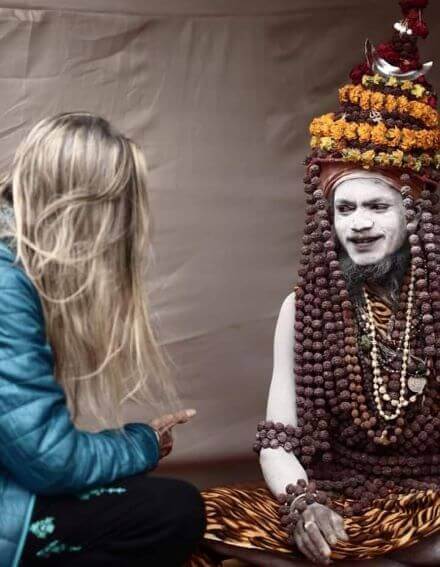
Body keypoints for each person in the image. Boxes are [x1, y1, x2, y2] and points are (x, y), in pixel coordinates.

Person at [189, 1, 440, 565]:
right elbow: (280, 438)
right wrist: (303, 507)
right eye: (344, 207)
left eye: (377, 205)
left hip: (431, 508)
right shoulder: (302, 310)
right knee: (194, 517)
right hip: (334, 503)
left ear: (413, 213)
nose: (359, 222)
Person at [0, 112, 206, 567]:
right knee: (174, 512)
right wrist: (140, 444)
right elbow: (49, 461)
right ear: (82, 206)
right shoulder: (4, 283)